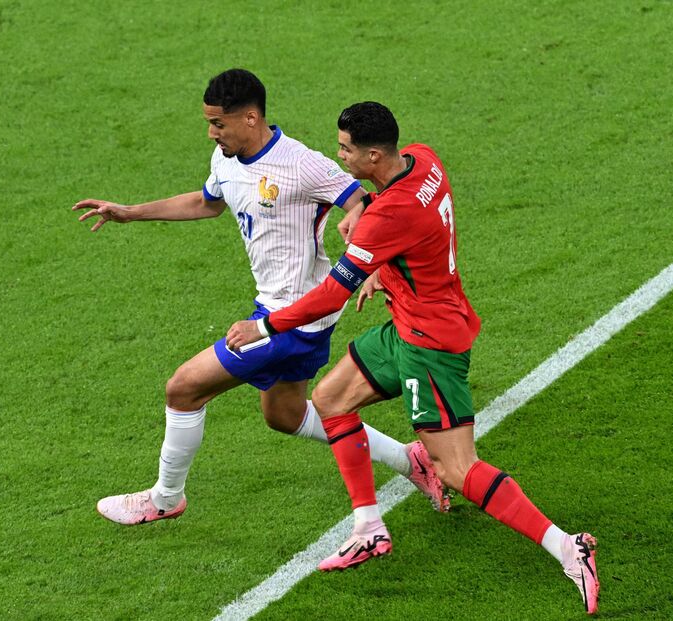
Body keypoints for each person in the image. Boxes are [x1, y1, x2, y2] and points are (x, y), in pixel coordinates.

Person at [225, 101, 599, 614]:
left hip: (430, 343)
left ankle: (566, 545)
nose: (340, 157)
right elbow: (414, 233)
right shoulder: (425, 159)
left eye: (344, 150)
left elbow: (332, 294)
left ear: (373, 154)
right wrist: (381, 265)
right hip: (411, 319)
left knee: (457, 469)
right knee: (331, 399)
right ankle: (369, 527)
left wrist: (265, 324)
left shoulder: (386, 216)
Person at [73, 70, 449, 527]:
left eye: (218, 123)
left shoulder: (302, 164)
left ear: (250, 118)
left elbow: (362, 202)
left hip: (295, 317)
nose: (212, 133)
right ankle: (413, 462)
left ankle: (165, 498)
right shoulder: (225, 158)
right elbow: (208, 202)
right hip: (278, 310)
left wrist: (369, 265)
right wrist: (131, 213)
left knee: (183, 388)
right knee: (285, 416)